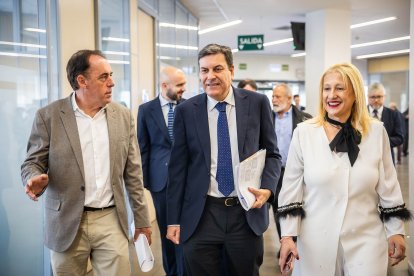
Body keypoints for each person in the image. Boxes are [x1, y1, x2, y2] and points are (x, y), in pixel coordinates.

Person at [21, 49, 152, 276]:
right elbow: (32, 162)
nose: (112, 82)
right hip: (66, 220)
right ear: (81, 81)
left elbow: (133, 173)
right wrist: (33, 178)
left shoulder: (122, 116)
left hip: (111, 219)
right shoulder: (49, 116)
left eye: (111, 75)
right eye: (103, 77)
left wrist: (142, 220)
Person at [277, 63, 411, 275]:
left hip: (366, 239)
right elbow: (291, 190)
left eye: (340, 88)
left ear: (356, 93)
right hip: (314, 242)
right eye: (327, 88)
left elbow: (389, 185)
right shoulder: (304, 133)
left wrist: (396, 231)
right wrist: (287, 237)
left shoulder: (376, 132)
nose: (332, 95)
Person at [166, 43, 281, 276]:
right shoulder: (187, 111)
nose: (210, 77)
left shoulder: (257, 103)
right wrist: (173, 220)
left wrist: (268, 189)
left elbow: (272, 154)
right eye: (204, 70)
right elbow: (178, 169)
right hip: (201, 215)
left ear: (231, 70)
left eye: (217, 69)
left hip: (245, 214)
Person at [137, 66, 187, 276]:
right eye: (180, 85)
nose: (184, 89)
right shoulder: (146, 110)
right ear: (165, 85)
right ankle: (172, 272)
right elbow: (143, 148)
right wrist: (146, 182)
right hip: (161, 182)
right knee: (167, 233)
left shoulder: (189, 107)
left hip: (187, 179)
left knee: (187, 232)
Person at [270, 83, 311, 240]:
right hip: (274, 172)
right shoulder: (267, 117)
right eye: (273, 96)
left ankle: (296, 241)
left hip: (295, 172)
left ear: (288, 99)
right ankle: (285, 242)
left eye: (277, 96)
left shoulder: (304, 119)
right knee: (278, 209)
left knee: (295, 207)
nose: (274, 99)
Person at [368, 83, 404, 164]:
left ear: (384, 97)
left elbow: (400, 138)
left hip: (387, 160)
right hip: (364, 160)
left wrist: (382, 142)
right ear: (368, 97)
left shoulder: (393, 114)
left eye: (379, 96)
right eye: (373, 97)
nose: (376, 100)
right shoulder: (360, 113)